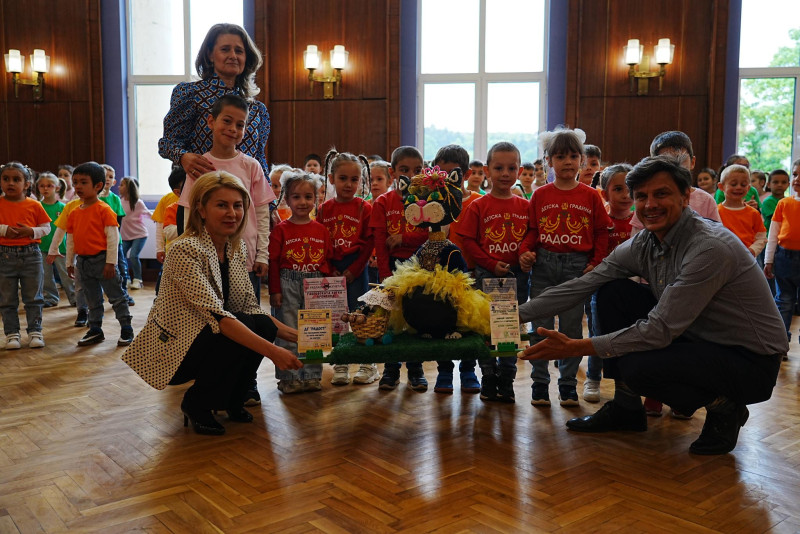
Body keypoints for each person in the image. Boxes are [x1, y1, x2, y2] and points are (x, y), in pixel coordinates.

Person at [519, 155, 787, 455]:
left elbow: (658, 331)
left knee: (637, 366)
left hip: (750, 361)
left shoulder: (709, 247)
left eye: (661, 194)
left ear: (686, 196)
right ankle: (626, 408)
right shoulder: (645, 242)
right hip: (698, 339)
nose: (650, 205)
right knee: (612, 291)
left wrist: (575, 347)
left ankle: (725, 407)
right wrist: (509, 316)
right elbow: (583, 284)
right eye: (642, 196)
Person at [122, 172, 301, 436]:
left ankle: (231, 399)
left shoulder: (234, 248)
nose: (232, 213)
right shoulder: (185, 250)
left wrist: (302, 337)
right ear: (201, 210)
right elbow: (219, 318)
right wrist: (275, 352)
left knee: (259, 323)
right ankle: (197, 404)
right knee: (237, 327)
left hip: (208, 338)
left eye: (237, 205)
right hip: (175, 351)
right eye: (222, 205)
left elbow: (251, 308)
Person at [518, 128, 610, 407]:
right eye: (560, 156)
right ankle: (540, 384)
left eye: (573, 156)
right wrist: (525, 251)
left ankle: (568, 385)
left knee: (571, 329)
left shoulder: (591, 196)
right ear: (548, 161)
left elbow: (601, 233)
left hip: (577, 267)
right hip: (544, 264)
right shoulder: (540, 195)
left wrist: (595, 263)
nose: (567, 162)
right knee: (540, 326)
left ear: (582, 160)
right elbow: (533, 231)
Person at [158, 22, 269, 233]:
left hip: (243, 205)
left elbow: (259, 159)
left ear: (247, 58)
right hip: (200, 201)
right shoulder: (189, 93)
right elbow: (167, 143)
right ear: (210, 55)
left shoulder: (258, 109)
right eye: (225, 49)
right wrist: (184, 157)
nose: (233, 55)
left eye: (239, 50)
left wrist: (269, 204)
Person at [177, 94, 274, 302]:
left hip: (245, 256)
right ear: (211, 122)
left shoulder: (251, 166)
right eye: (227, 121)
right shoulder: (199, 165)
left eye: (240, 125)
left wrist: (262, 254)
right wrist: (190, 254)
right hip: (207, 258)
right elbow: (188, 214)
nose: (233, 129)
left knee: (247, 316)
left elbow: (262, 213)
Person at [456, 141, 530, 403]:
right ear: (487, 171)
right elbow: (468, 242)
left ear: (519, 171)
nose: (505, 173)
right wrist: (489, 263)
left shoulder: (525, 206)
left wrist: (526, 254)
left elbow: (531, 236)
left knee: (510, 330)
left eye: (511, 168)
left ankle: (507, 380)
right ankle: (488, 375)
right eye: (499, 168)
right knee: (486, 330)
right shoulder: (478, 206)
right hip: (486, 277)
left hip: (516, 278)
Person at [369, 146, 428, 391]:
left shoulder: (427, 201)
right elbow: (380, 242)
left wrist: (404, 238)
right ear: (392, 173)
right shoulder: (383, 202)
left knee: (416, 319)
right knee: (391, 321)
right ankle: (391, 369)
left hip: (419, 266)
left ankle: (416, 369)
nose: (411, 175)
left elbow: (429, 236)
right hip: (392, 268)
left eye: (417, 171)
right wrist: (384, 275)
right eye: (404, 170)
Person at [268, 171, 332, 394]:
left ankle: (313, 375)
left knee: (315, 333)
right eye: (296, 197)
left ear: (316, 199)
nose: (303, 202)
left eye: (308, 196)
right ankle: (289, 377)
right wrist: (275, 290)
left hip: (315, 285)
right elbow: (274, 262)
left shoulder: (322, 230)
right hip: (287, 284)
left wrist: (326, 289)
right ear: (287, 199)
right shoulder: (280, 230)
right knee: (288, 333)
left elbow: (327, 261)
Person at [318, 149, 374, 386]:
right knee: (337, 319)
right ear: (331, 179)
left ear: (360, 181)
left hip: (356, 270)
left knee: (361, 318)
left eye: (354, 179)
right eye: (343, 179)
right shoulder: (324, 209)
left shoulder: (365, 208)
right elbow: (320, 241)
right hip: (333, 270)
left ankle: (367, 364)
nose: (349, 184)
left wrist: (354, 270)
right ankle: (340, 363)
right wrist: (330, 269)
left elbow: (369, 242)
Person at [428, 144, 481, 394]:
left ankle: (469, 370)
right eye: (443, 173)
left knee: (469, 323)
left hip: (471, 272)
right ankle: (445, 371)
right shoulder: (431, 202)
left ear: (467, 174)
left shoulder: (479, 202)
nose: (448, 179)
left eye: (455, 173)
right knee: (442, 320)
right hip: (441, 274)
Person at [63, 162, 133, 347]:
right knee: (92, 299)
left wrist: (111, 263)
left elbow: (112, 238)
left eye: (83, 182)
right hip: (83, 263)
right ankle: (95, 329)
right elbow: (71, 239)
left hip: (103, 261)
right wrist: (70, 261)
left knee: (117, 297)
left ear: (98, 186)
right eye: (75, 182)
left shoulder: (104, 210)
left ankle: (126, 327)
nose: (78, 186)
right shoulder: (74, 212)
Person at [584, 163, 633, 403]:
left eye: (630, 189)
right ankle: (593, 378)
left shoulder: (640, 221)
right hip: (602, 289)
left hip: (633, 288)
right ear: (605, 194)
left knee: (629, 336)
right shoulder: (601, 221)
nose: (626, 195)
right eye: (618, 189)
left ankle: (627, 386)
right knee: (598, 333)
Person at [0, 162, 51, 350]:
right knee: (7, 299)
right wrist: (4, 230)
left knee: (34, 297)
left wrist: (31, 231)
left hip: (31, 255)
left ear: (27, 184)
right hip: (4, 256)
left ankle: (35, 331)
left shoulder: (35, 205)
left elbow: (46, 228)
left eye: (16, 179)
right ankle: (12, 334)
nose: (10, 183)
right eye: (6, 179)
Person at [630, 131, 719, 236]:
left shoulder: (705, 200)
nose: (674, 168)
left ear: (692, 162)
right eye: (667, 162)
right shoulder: (648, 201)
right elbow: (635, 242)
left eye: (680, 160)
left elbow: (717, 235)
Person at [764, 158, 800, 344]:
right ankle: (780, 342)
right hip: (784, 258)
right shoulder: (784, 204)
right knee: (784, 302)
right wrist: (768, 260)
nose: (797, 179)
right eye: (795, 174)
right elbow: (773, 235)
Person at [36, 172, 76, 308]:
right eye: (42, 186)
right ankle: (51, 297)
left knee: (66, 275)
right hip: (42, 247)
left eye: (49, 186)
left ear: (57, 188)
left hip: (61, 248)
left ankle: (75, 298)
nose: (45, 189)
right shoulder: (37, 207)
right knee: (45, 275)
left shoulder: (63, 207)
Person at [717, 164, 766, 257]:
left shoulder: (753, 213)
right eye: (733, 184)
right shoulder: (716, 211)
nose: (739, 187)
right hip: (723, 258)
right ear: (721, 186)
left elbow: (761, 237)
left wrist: (752, 250)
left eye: (743, 185)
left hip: (747, 259)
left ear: (748, 188)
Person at [119, 177, 152, 290]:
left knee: (133, 256)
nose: (119, 187)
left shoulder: (138, 203)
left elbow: (147, 213)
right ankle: (126, 278)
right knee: (121, 255)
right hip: (125, 235)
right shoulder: (120, 201)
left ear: (128, 188)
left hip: (139, 234)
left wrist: (158, 218)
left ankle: (138, 280)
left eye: (122, 185)